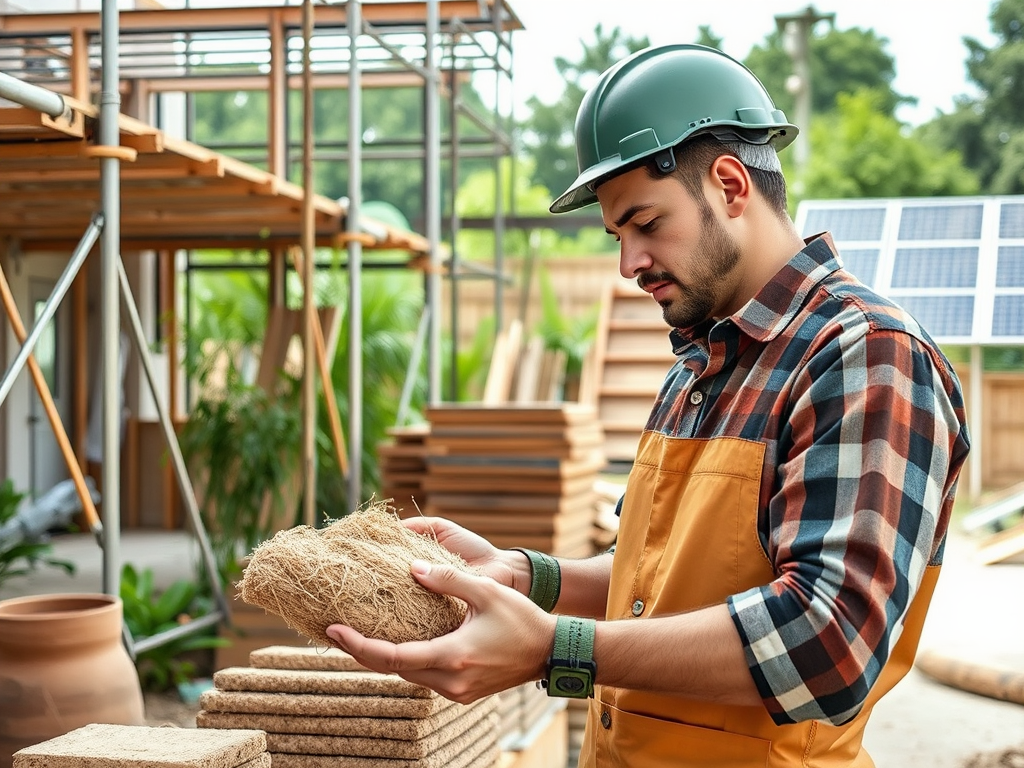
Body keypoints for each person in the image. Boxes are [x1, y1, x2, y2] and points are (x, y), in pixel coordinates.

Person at [327, 44, 970, 767]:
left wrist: (552, 648)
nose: (628, 263)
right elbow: (656, 588)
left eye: (645, 222)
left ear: (730, 185)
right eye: (617, 235)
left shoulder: (865, 355)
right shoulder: (703, 362)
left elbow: (828, 644)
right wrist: (528, 576)